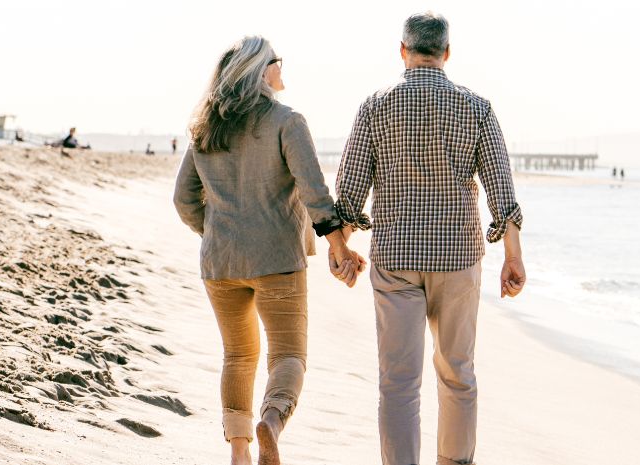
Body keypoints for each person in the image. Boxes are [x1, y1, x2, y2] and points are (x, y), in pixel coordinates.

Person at [334, 12, 525, 465]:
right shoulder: (476, 107)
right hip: (459, 258)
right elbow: (502, 190)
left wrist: (340, 248)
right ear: (447, 53)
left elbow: (350, 191)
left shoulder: (375, 105)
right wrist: (513, 257)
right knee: (458, 373)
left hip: (395, 257)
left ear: (403, 51)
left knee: (398, 382)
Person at [172, 35, 363, 465]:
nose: (282, 67)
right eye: (277, 60)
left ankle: (239, 452)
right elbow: (315, 194)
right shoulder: (287, 121)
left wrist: (218, 231)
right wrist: (340, 249)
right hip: (277, 259)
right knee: (289, 356)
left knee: (238, 355)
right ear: (263, 71)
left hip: (220, 263)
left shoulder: (205, 126)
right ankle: (271, 421)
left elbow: (183, 199)